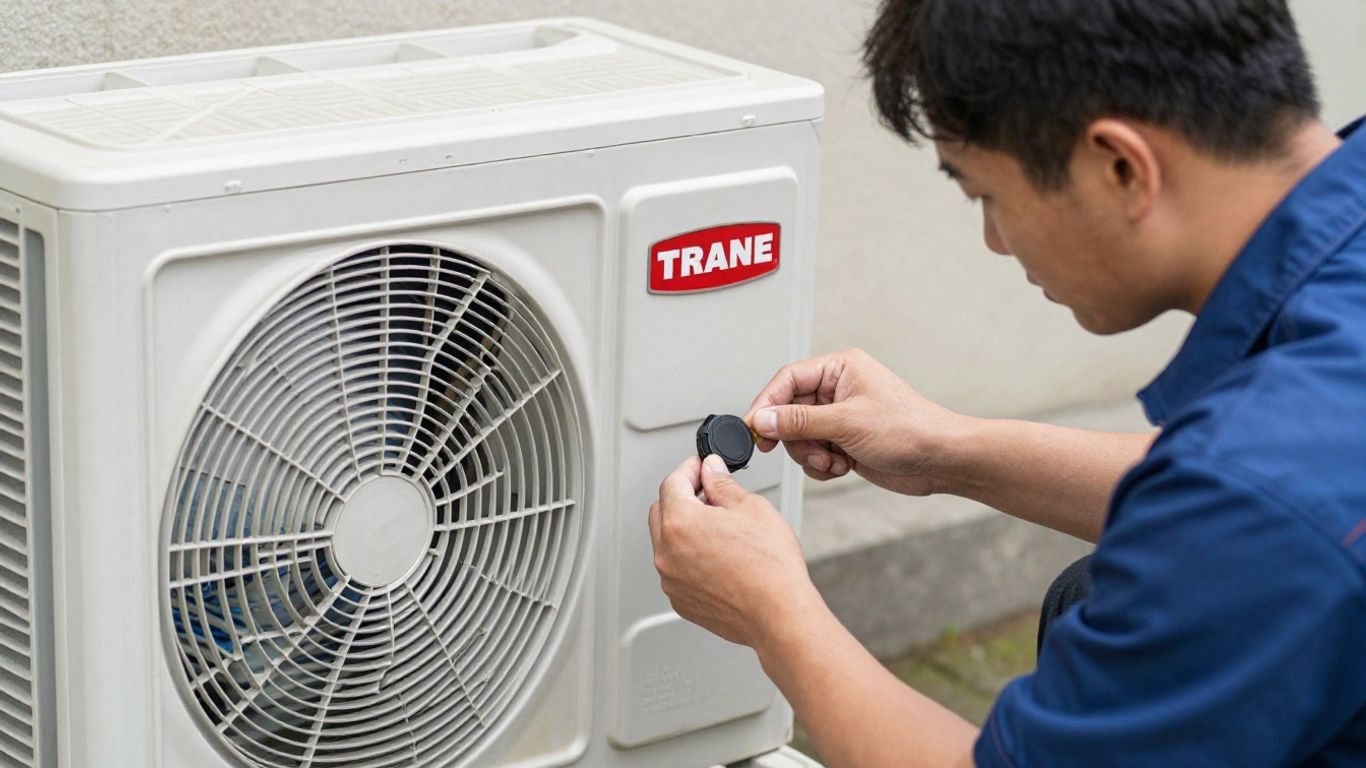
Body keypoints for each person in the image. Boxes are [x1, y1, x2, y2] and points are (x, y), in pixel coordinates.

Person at [646, 0, 1366, 765]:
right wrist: (942, 450)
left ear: (1120, 166)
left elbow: (1257, 509)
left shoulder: (1257, 487)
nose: (993, 240)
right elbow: (1264, 509)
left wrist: (773, 612)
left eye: (986, 194)